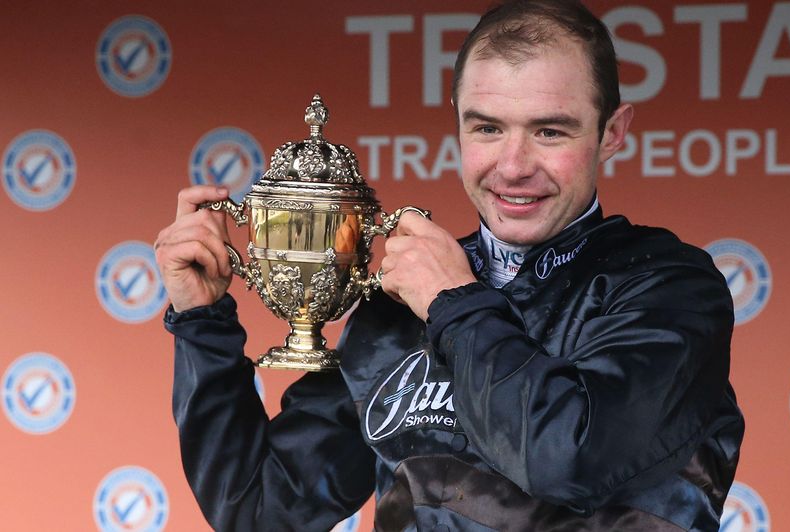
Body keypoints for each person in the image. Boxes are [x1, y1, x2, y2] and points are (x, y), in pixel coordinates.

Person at [154, 1, 744, 530]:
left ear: (612, 133)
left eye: (549, 131)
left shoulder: (670, 289)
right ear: (457, 122)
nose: (513, 166)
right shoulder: (400, 307)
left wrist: (455, 303)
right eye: (487, 127)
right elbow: (259, 508)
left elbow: (568, 461)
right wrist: (201, 321)